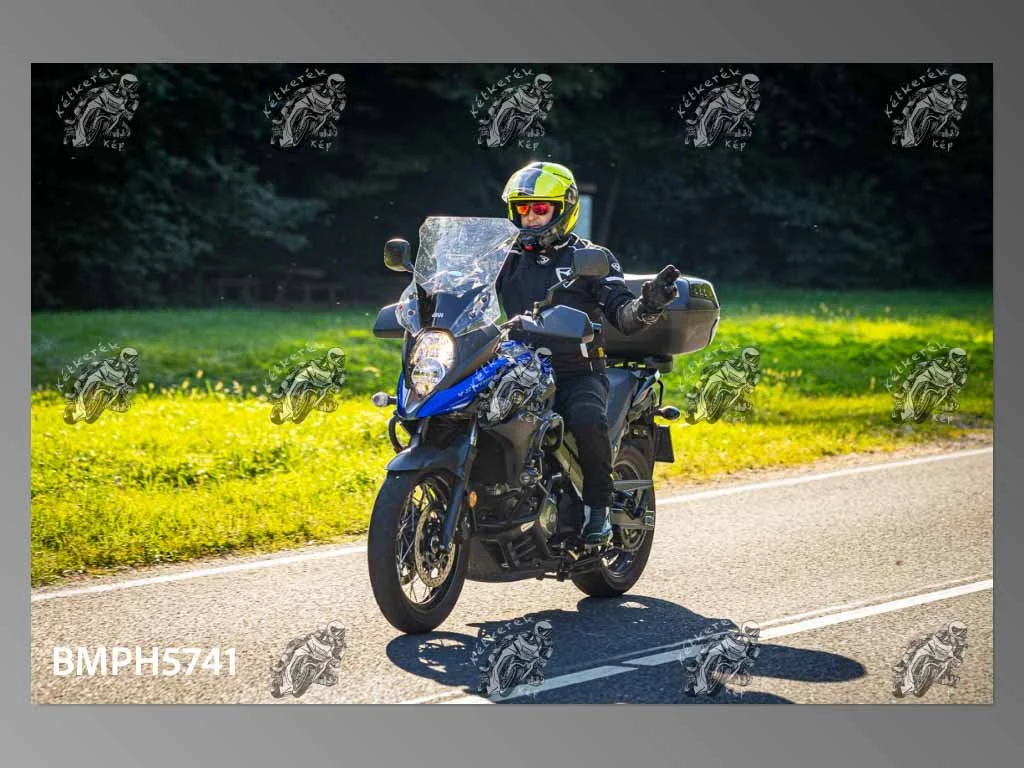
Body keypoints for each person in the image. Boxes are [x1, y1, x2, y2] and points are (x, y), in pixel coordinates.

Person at [494, 161, 681, 547]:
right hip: (514, 367)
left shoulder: (592, 258)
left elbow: (623, 316)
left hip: (575, 371)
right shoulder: (502, 256)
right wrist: (430, 295)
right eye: (523, 208)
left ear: (564, 209)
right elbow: (464, 291)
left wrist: (649, 305)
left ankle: (598, 509)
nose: (530, 217)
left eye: (540, 208)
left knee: (586, 418)